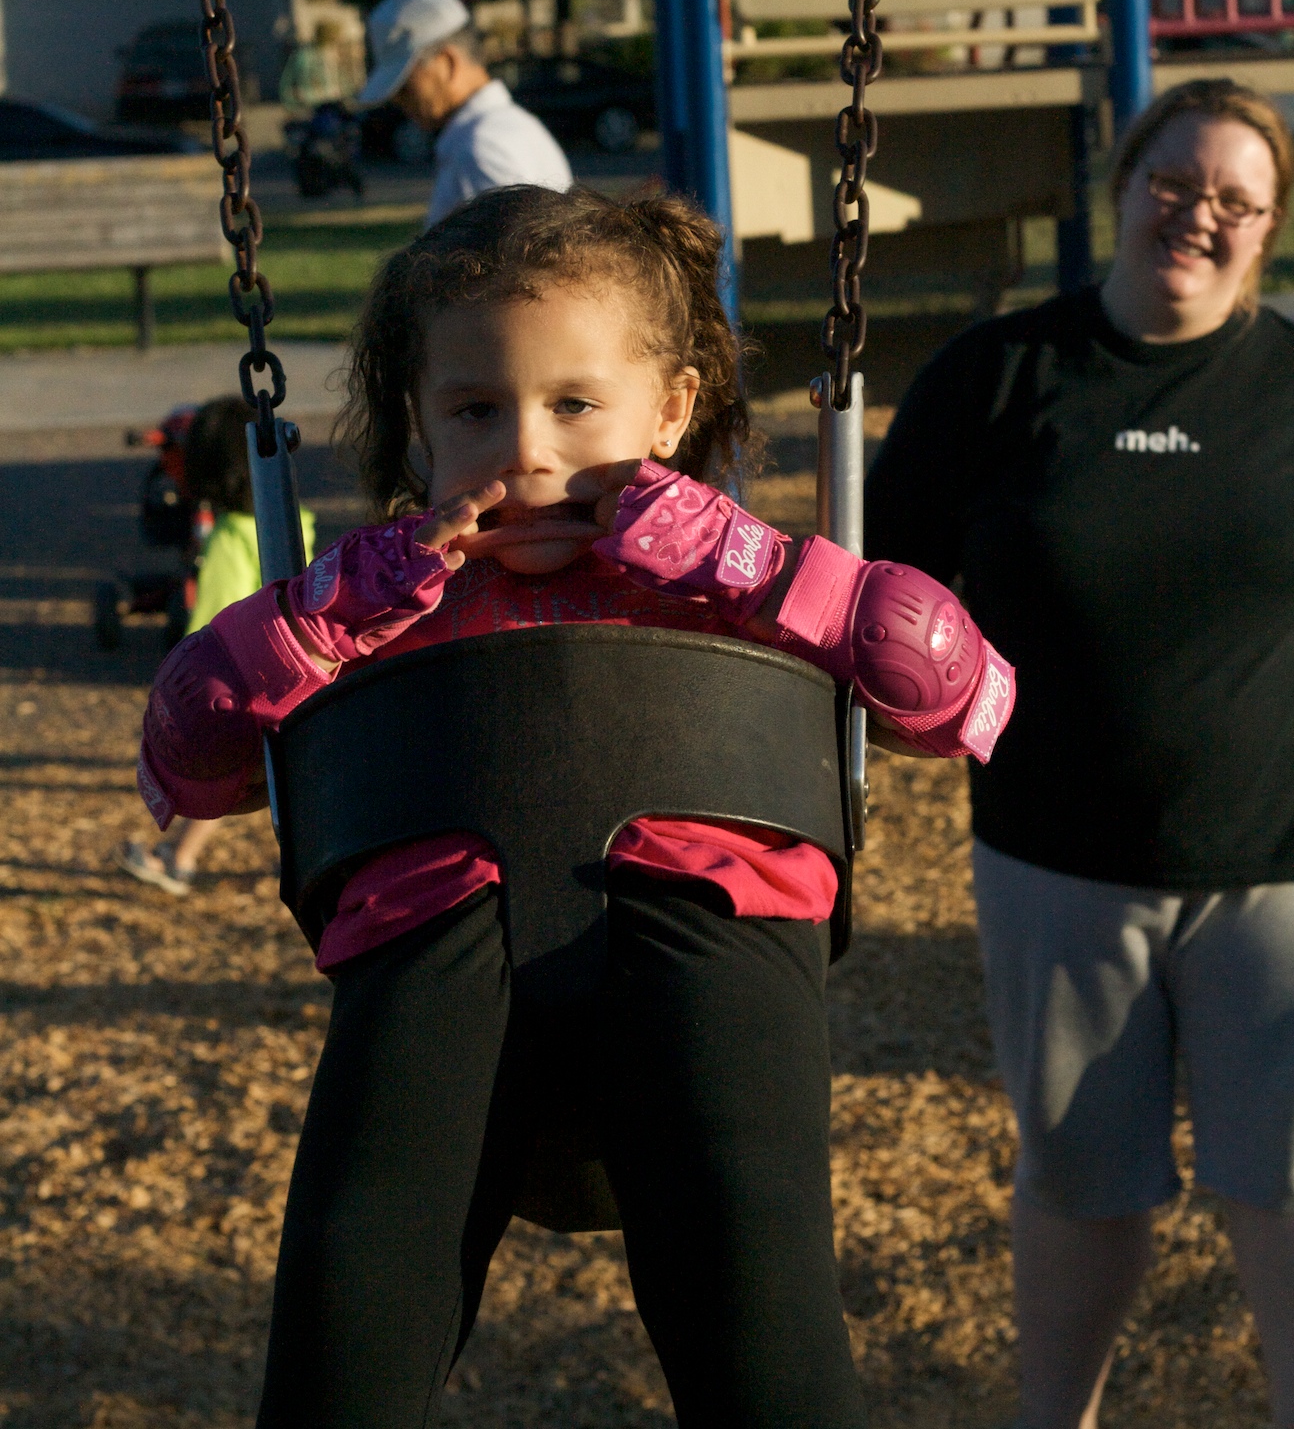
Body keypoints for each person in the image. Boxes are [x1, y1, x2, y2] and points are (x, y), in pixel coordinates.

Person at [133, 184, 1014, 1427]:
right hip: (435, 939)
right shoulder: (376, 609)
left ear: (672, 408)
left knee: (760, 1303)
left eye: (574, 405)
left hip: (705, 924)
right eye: (476, 410)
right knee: (351, 1298)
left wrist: (750, 564)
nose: (528, 451)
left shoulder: (740, 586)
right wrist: (338, 607)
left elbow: (957, 696)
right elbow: (187, 757)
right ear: (421, 427)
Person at [865, 76, 1294, 1429]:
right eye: (1173, 182)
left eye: (1234, 199)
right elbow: (883, 599)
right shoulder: (996, 379)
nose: (1196, 215)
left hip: (1274, 869)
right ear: (1118, 186)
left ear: (1266, 231)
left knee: (1281, 1182)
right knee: (1076, 1180)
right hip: (1054, 862)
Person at [118, 396, 315, 896]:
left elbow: (213, 631)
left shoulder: (230, 537)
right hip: (300, 669)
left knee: (227, 781)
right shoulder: (296, 522)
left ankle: (177, 860)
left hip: (248, 683)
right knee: (288, 781)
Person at [356, 0, 573, 224]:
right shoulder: (513, 126)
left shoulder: (481, 148)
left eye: (404, 85)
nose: (397, 100)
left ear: (447, 62)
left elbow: (517, 258)